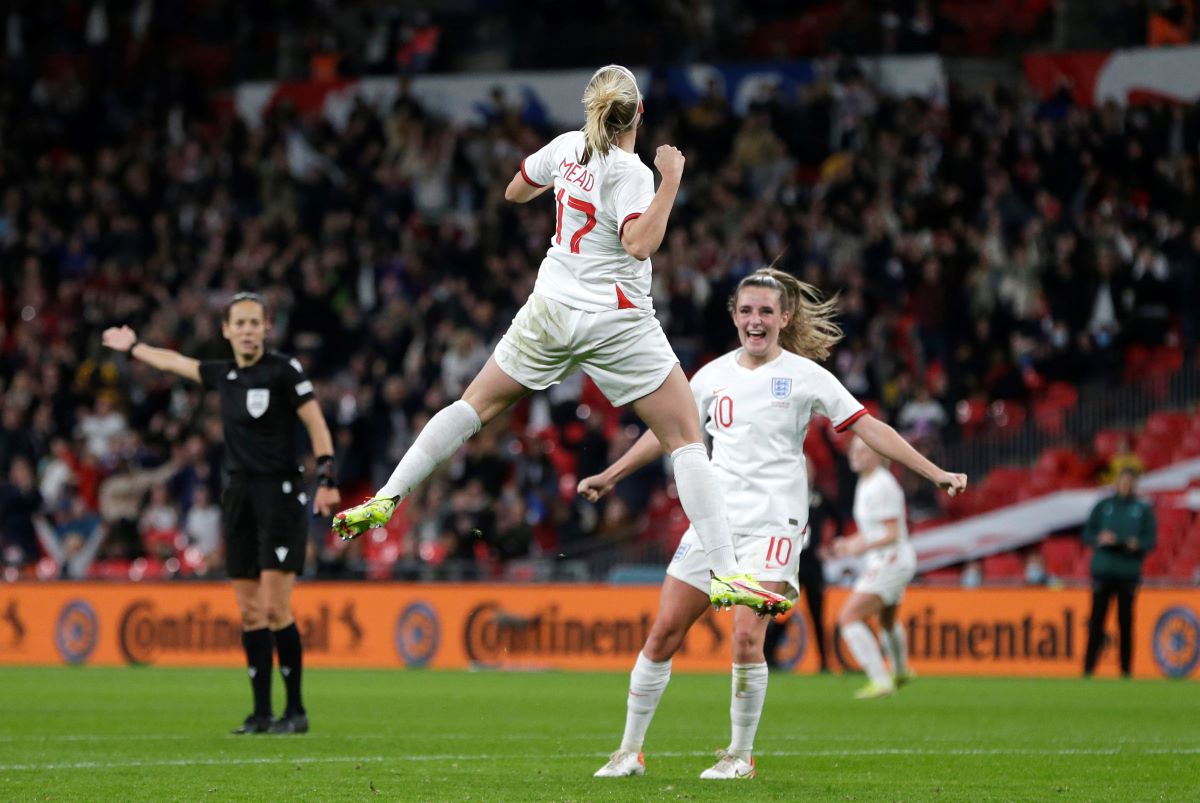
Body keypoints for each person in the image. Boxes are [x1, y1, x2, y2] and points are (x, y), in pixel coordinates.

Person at [333, 64, 789, 614]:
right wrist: (671, 178)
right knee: (686, 437)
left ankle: (386, 497)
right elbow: (640, 244)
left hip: (551, 306)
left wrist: (562, 179)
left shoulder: (567, 146)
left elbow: (515, 191)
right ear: (639, 113)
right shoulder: (634, 172)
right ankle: (724, 573)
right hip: (615, 319)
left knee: (472, 405)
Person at [582, 267, 967, 780]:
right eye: (747, 311)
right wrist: (611, 474)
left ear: (784, 317)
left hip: (775, 524)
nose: (755, 320)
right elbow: (669, 433)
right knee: (663, 632)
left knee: (746, 637)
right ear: (735, 317)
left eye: (766, 311)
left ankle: (739, 757)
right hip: (713, 521)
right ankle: (629, 752)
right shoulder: (710, 377)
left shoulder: (807, 376)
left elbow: (870, 427)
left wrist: (934, 472)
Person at [101, 291, 341, 734]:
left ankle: (296, 711)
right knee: (249, 612)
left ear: (266, 328)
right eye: (240, 323)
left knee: (275, 607)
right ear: (226, 330)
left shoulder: (284, 370)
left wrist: (326, 479)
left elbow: (315, 423)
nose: (248, 330)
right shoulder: (224, 374)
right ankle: (261, 714)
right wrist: (134, 347)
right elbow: (175, 362)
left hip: (281, 494)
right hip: (239, 497)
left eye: (255, 323)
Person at [833, 436, 919, 700]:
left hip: (890, 559)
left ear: (878, 454)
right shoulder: (867, 482)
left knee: (848, 618)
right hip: (888, 558)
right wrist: (849, 544)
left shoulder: (882, 485)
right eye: (854, 449)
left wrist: (861, 546)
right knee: (887, 619)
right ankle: (901, 670)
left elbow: (892, 533)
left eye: (863, 450)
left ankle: (880, 680)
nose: (855, 454)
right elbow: (875, 531)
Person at [1082, 467, 1156, 678]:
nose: (1126, 486)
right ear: (1117, 483)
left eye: (1130, 482)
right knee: (1096, 622)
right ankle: (1088, 670)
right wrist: (1100, 538)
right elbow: (1087, 533)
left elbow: (1150, 541)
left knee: (1125, 624)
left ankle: (1126, 672)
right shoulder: (1104, 506)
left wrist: (1137, 544)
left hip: (1127, 573)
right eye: (1123, 481)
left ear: (1135, 485)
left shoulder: (1142, 509)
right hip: (1103, 572)